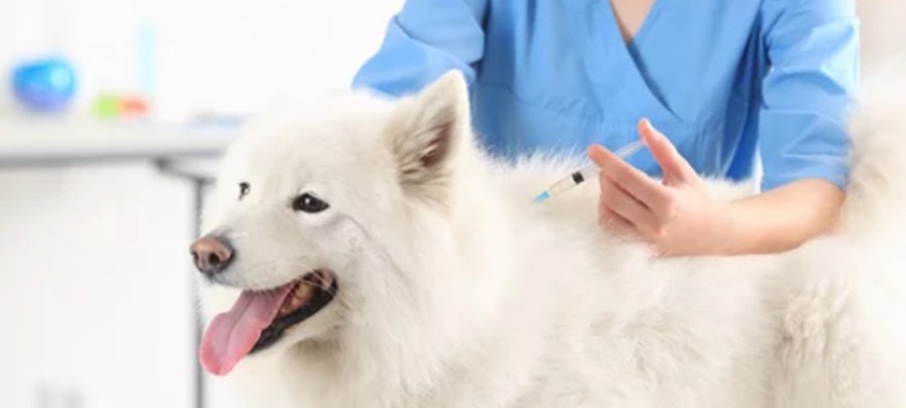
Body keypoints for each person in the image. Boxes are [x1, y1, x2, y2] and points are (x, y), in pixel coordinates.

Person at [352, 0, 860, 257]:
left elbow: (818, 190)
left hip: (676, 304)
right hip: (496, 283)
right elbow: (379, 121)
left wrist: (716, 228)